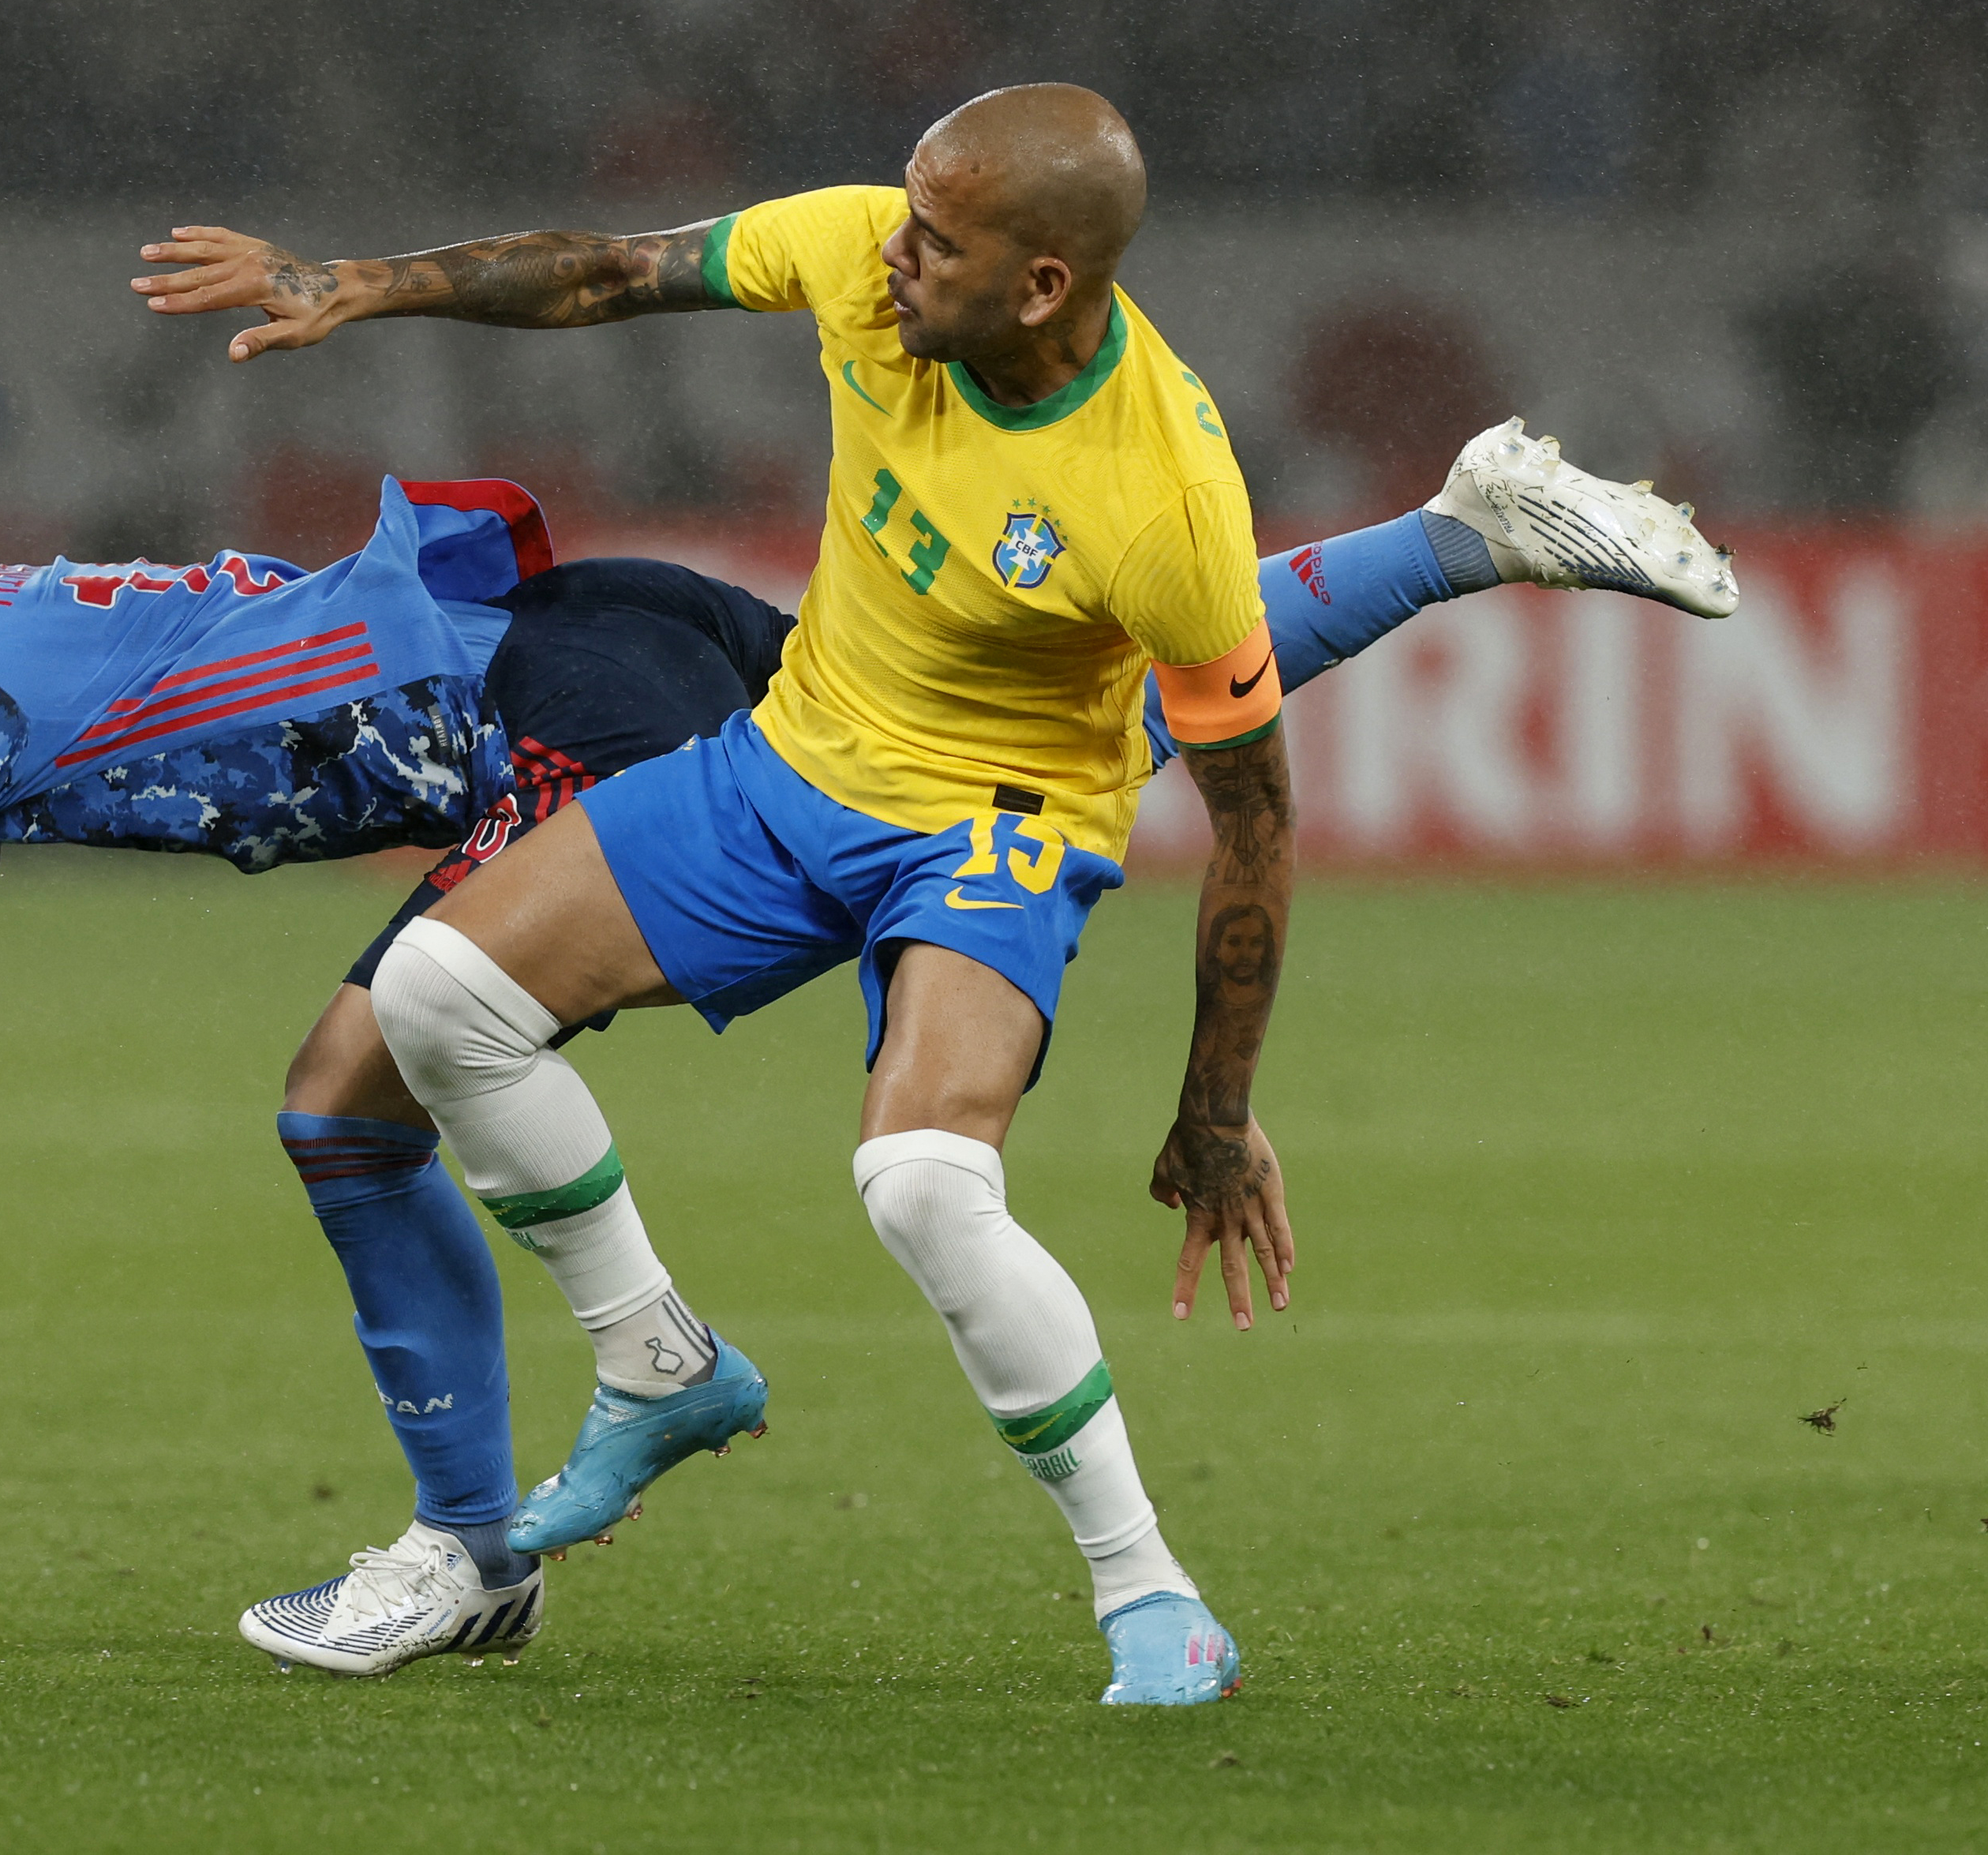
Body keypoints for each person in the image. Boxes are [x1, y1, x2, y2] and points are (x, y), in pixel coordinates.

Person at [0, 342, 1734, 1683]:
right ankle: (1452, 536)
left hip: (556, 702)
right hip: (585, 654)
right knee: (1031, 728)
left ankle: (524, 1500)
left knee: (356, 1089)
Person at [126, 81, 1737, 1703]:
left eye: (939, 243)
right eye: (904, 217)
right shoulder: (864, 259)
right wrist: (356, 282)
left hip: (994, 823)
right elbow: (612, 270)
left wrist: (1215, 1109)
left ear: (1041, 285)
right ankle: (657, 1362)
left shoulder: (1162, 494)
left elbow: (1253, 820)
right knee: (432, 997)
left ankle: (1147, 1589)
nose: (893, 254)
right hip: (791, 761)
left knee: (921, 1185)